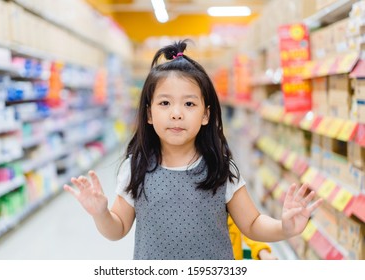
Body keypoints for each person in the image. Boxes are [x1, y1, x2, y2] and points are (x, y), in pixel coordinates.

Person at [63, 39, 322, 260]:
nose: (176, 114)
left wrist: (285, 228)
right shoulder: (136, 167)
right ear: (149, 114)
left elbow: (252, 224)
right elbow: (117, 229)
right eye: (165, 103)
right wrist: (100, 214)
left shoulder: (220, 167)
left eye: (189, 104)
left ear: (206, 115)